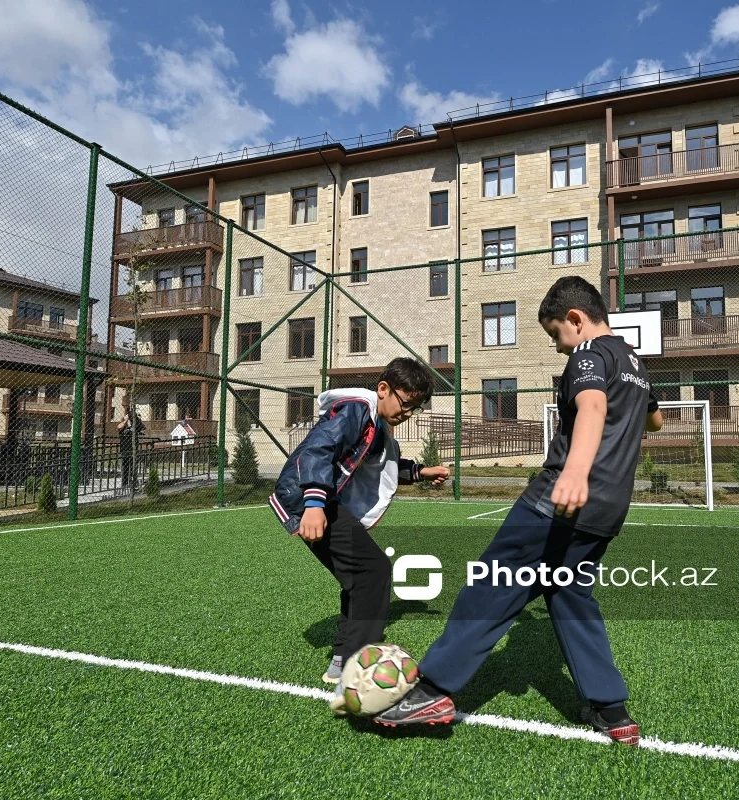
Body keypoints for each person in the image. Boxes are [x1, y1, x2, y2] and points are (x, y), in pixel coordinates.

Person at [373, 276, 664, 745]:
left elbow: (590, 406)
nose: (557, 347)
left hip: (560, 500)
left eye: (556, 335)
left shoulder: (588, 355)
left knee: (492, 583)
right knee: (570, 597)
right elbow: (655, 418)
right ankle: (611, 709)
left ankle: (433, 690)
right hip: (609, 510)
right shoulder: (633, 361)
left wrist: (575, 471)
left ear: (576, 319)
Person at [268, 358, 451, 685]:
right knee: (372, 570)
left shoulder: (377, 425)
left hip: (324, 501)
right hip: (309, 500)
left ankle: (343, 659)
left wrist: (423, 472)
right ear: (383, 389)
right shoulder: (355, 411)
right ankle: (358, 668)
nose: (407, 413)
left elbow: (385, 465)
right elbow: (316, 451)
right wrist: (313, 504)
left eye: (415, 409)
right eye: (406, 404)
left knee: (360, 575)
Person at [117, 406, 145, 489]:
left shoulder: (136, 424)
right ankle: (125, 483)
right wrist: (126, 420)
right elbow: (119, 427)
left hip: (133, 448)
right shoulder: (123, 425)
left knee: (133, 466)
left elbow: (143, 428)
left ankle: (133, 482)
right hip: (125, 448)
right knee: (125, 466)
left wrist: (139, 419)